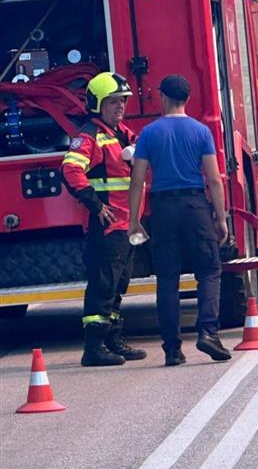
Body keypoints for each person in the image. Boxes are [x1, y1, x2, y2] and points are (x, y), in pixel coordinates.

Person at [127, 74, 232, 366]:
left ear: (163, 97)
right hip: (195, 205)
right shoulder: (201, 131)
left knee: (167, 278)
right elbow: (214, 179)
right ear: (187, 99)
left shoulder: (148, 134)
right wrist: (220, 217)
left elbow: (138, 180)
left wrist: (134, 219)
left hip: (163, 208)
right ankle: (208, 332)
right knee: (209, 269)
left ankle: (172, 349)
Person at [62, 72, 147, 366]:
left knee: (117, 285)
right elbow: (70, 170)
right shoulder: (89, 136)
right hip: (107, 225)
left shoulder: (121, 132)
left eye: (122, 101)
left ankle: (113, 340)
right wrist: (95, 204)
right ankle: (94, 348)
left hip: (127, 224)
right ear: (97, 104)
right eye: (113, 102)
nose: (120, 106)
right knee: (103, 286)